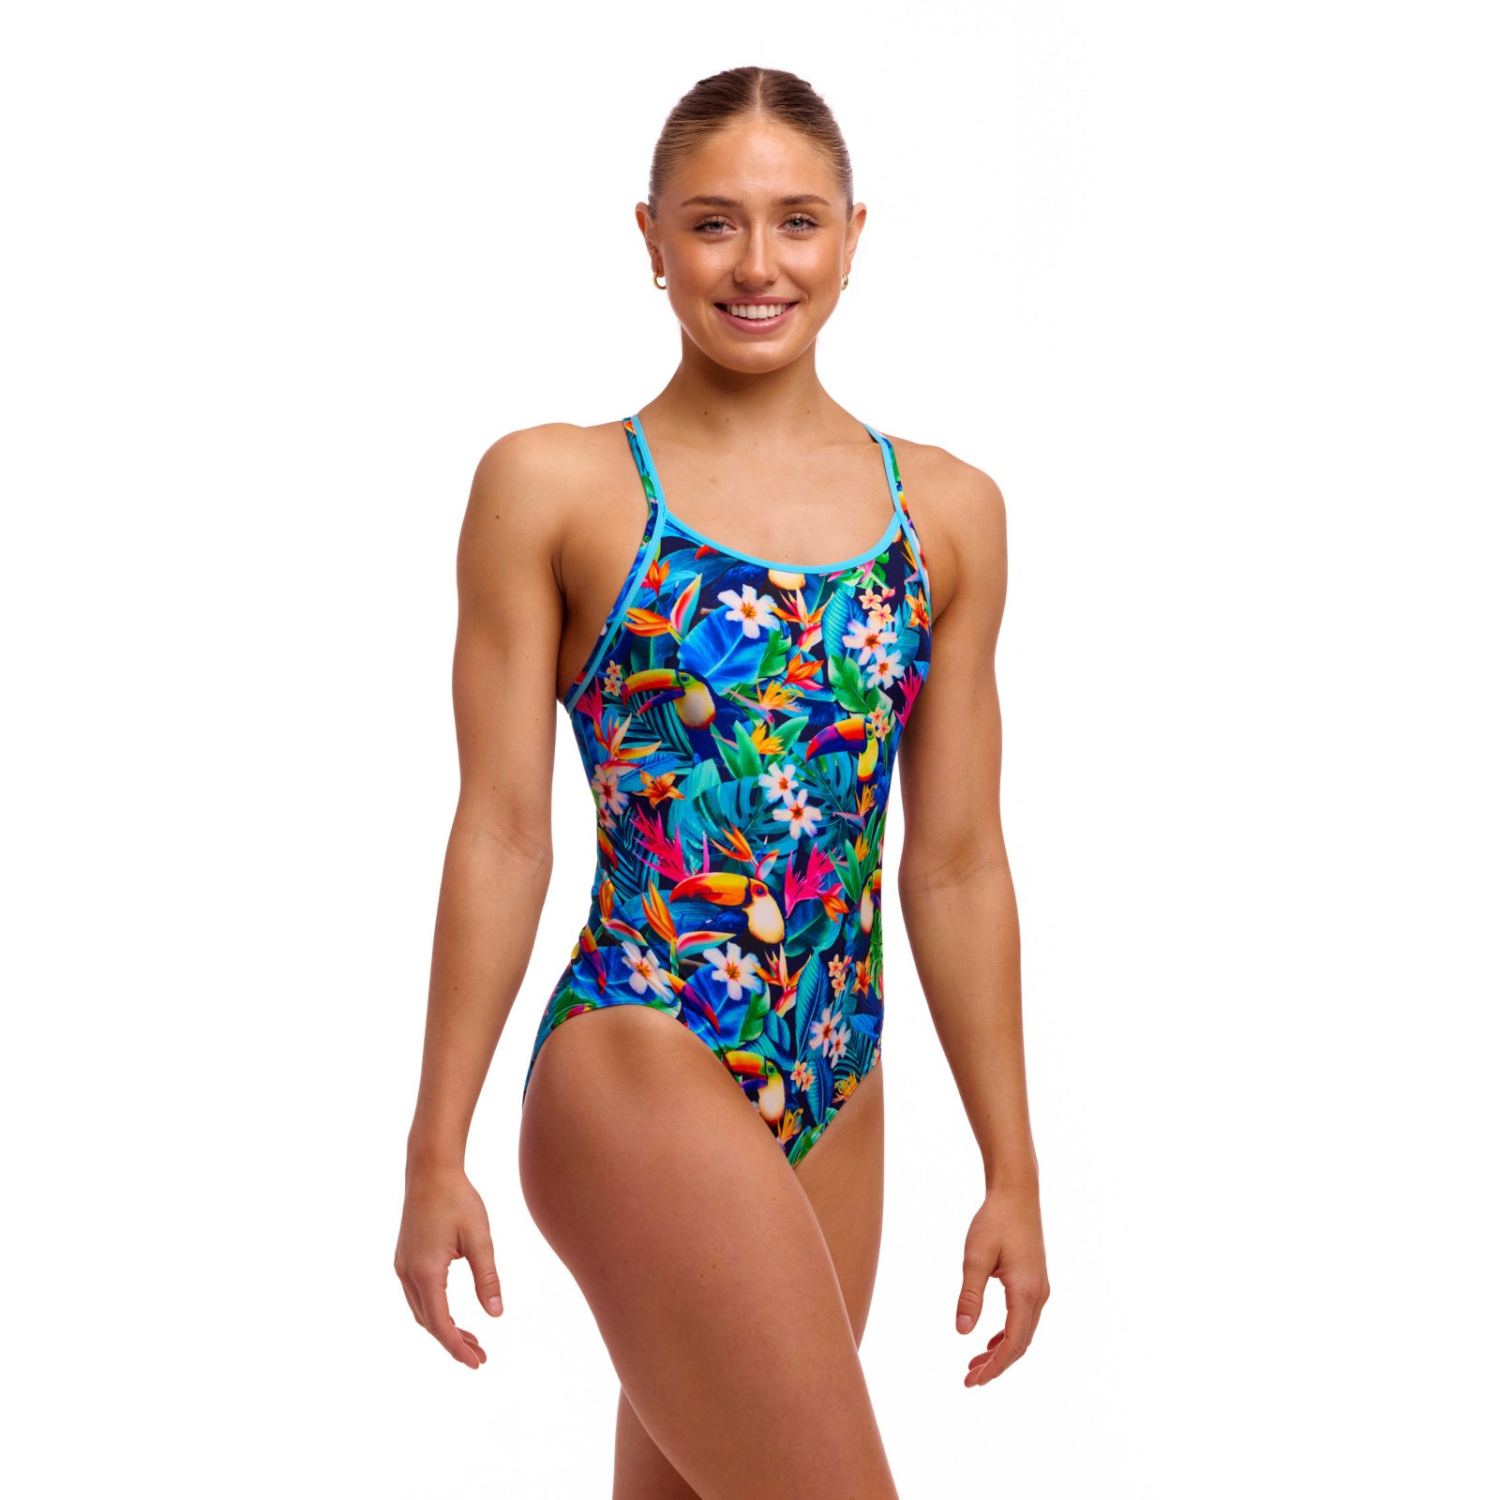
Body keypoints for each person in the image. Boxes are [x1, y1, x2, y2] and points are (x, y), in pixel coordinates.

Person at [394, 65, 1048, 1500]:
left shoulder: (945, 515)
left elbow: (955, 862)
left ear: (855, 237)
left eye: (797, 221)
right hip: (641, 1039)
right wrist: (435, 1150)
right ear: (651, 239)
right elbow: (501, 833)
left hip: (838, 1072)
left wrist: (1013, 1166)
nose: (759, 265)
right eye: (713, 223)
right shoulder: (557, 488)